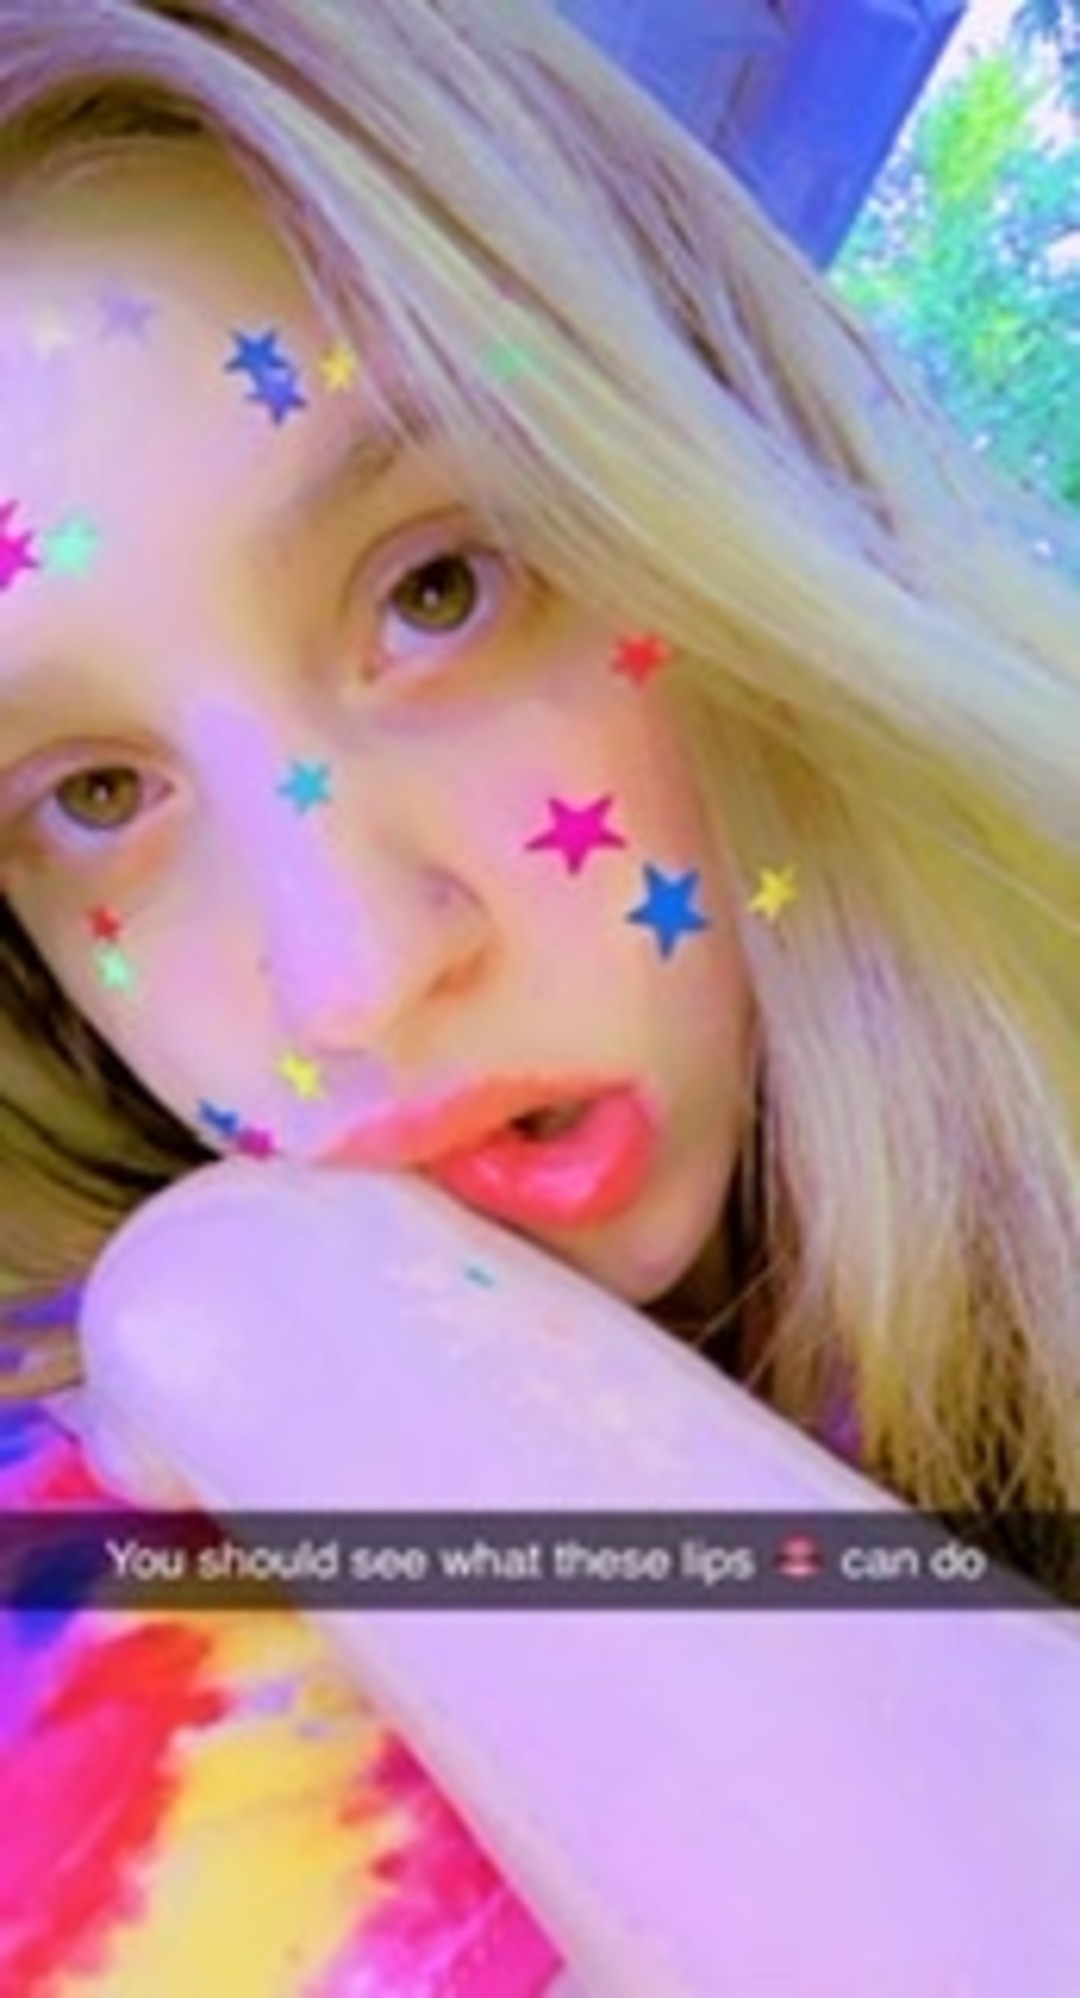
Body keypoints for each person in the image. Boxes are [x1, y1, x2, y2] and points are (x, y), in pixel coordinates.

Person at [0, 1, 1078, 1991]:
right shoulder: (93, 1613)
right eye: (97, 798)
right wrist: (257, 1316)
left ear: (717, 488)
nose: (352, 971)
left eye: (440, 589)